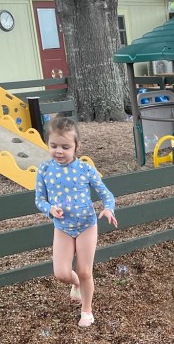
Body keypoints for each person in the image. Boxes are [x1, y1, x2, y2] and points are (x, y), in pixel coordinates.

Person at [34, 115, 117, 327]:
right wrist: (50, 208)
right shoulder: (44, 170)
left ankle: (86, 310)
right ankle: (77, 283)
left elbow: (106, 193)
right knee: (61, 273)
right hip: (62, 227)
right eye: (53, 146)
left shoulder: (85, 169)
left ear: (76, 147)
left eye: (65, 147)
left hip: (86, 225)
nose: (59, 151)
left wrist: (108, 208)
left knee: (85, 270)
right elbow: (39, 199)